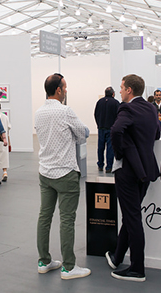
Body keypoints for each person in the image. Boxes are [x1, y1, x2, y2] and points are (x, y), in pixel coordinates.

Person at [34, 73, 90, 280]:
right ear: (58, 90)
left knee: (44, 217)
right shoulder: (66, 111)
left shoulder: (38, 113)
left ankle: (44, 261)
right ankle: (68, 267)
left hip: (45, 171)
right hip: (65, 172)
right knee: (67, 219)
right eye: (65, 87)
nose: (66, 90)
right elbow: (82, 134)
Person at [105, 74, 160, 282]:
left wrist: (119, 153)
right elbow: (156, 134)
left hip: (128, 170)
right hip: (146, 169)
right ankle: (117, 256)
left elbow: (116, 130)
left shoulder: (126, 108)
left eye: (121, 88)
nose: (119, 91)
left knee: (132, 217)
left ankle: (137, 268)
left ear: (129, 90)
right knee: (132, 214)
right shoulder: (151, 108)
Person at [94, 86, 120, 173]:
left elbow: (96, 114)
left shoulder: (99, 102)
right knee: (110, 149)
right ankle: (109, 167)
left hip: (101, 128)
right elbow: (118, 116)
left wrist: (99, 124)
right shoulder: (116, 103)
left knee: (100, 148)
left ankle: (100, 165)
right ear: (113, 94)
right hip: (111, 128)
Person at [0, 98, 11, 182]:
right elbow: (8, 129)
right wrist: (9, 142)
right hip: (4, 139)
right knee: (4, 156)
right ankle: (5, 172)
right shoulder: (5, 117)